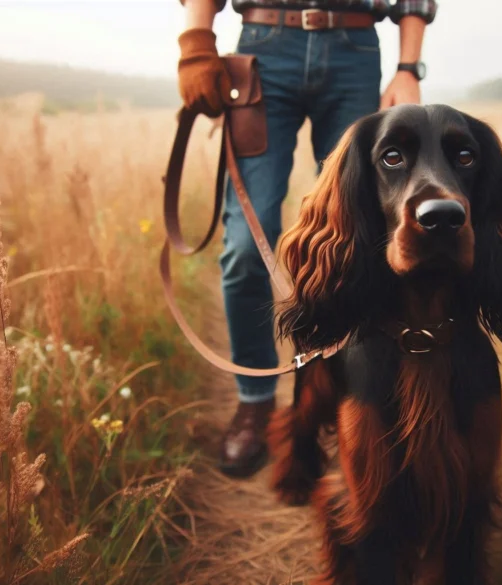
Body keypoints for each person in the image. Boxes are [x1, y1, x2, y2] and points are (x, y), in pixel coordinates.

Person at [176, 0, 435, 477]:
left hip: (355, 51)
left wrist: (407, 66)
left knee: (361, 241)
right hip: (264, 49)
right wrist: (196, 42)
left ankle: (357, 403)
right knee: (243, 248)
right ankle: (255, 404)